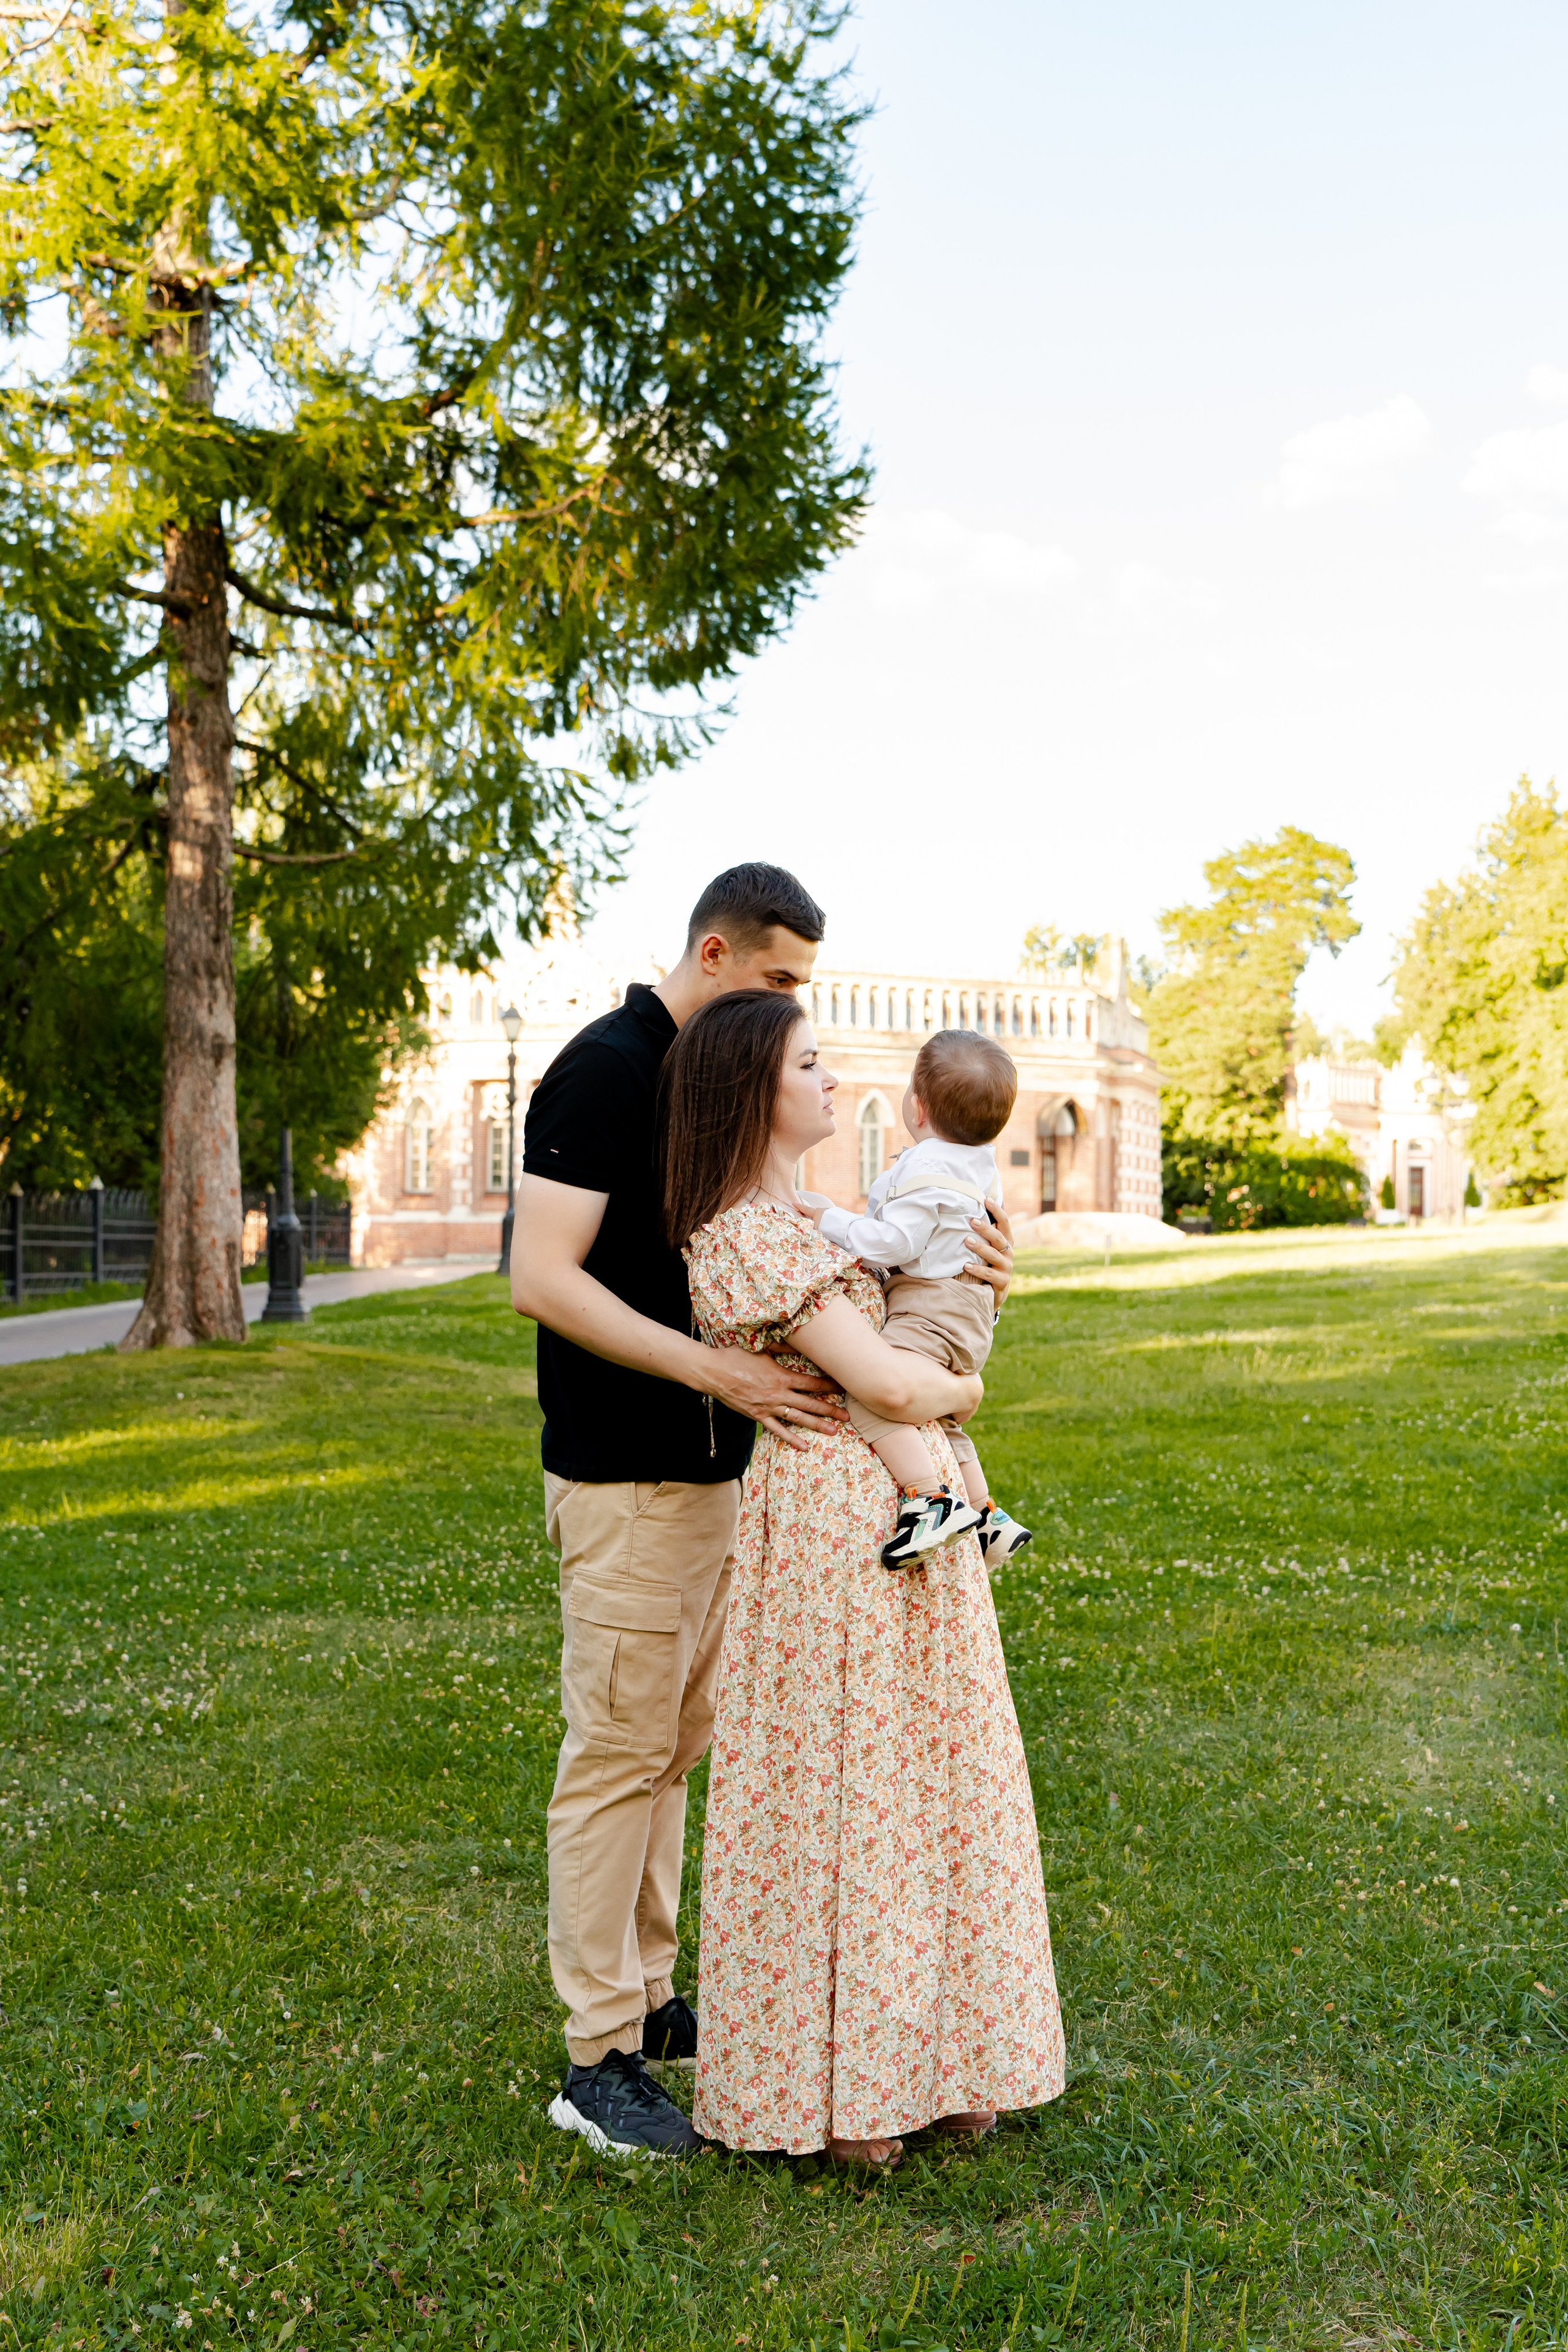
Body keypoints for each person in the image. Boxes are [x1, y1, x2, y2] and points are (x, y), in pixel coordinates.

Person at [510, 862, 1018, 2158]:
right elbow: (538, 1278)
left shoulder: (742, 1139)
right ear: (720, 954)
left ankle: (656, 1994)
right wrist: (714, 1367)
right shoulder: (609, 1071)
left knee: (677, 1748)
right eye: (784, 988)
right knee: (619, 1753)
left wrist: (967, 1273)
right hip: (629, 1468)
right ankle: (596, 2054)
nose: (800, 1015)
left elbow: (855, 1272)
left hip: (732, 1471)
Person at [664, 989, 1064, 2169]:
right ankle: (846, 2091)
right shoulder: (740, 1226)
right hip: (836, 1534)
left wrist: (982, 1289)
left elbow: (925, 1316)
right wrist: (967, 1396)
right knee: (849, 1794)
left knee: (927, 1787)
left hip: (902, 1522)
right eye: (811, 1064)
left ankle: (945, 2062)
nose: (835, 1082)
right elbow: (884, 1387)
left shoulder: (816, 1211)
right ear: (754, 1092)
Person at [807, 1027, 1034, 1571]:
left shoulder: (924, 1167)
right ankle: (987, 1516)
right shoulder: (979, 1162)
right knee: (942, 1420)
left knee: (870, 1394)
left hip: (930, 1307)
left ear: (917, 1105)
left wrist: (826, 1218)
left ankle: (929, 1500)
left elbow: (896, 1243)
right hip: (972, 1312)